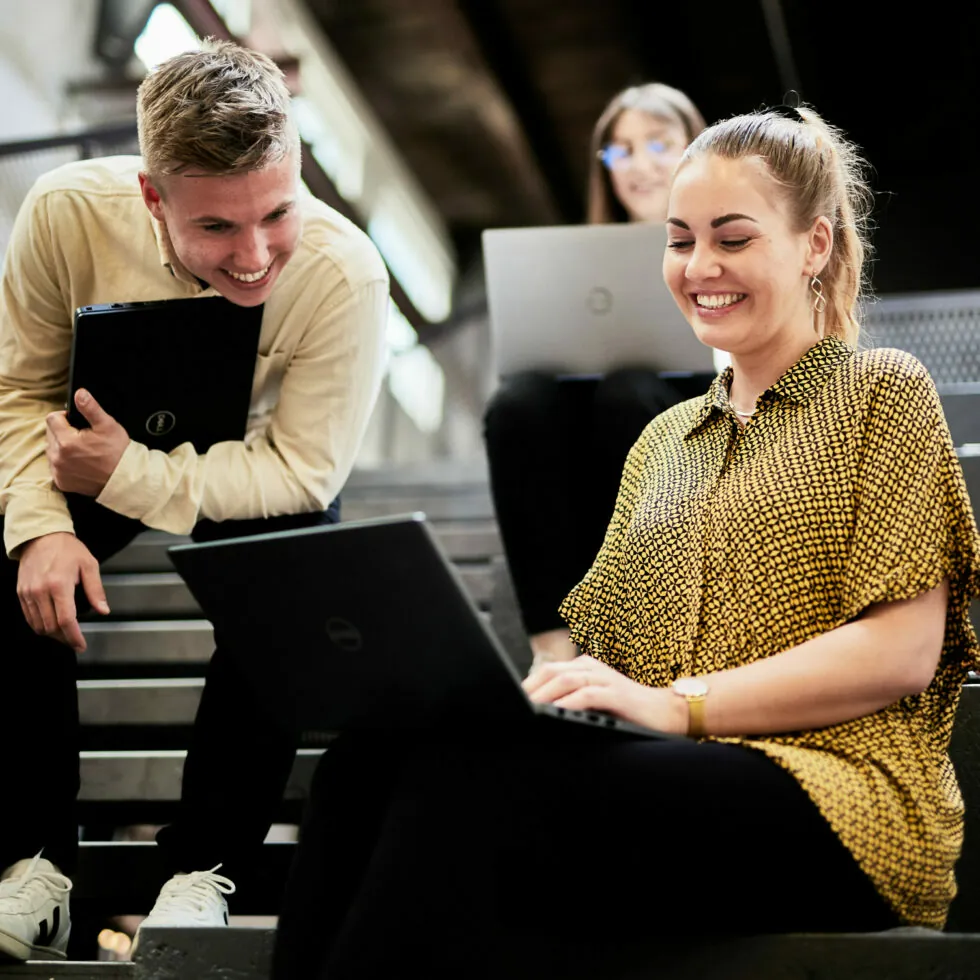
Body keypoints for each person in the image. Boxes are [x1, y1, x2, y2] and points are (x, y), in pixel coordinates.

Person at [271, 105, 980, 979]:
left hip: (842, 790)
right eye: (680, 241)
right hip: (673, 765)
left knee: (466, 800)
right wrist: (524, 696)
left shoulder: (883, 392)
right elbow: (611, 660)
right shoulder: (662, 440)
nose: (698, 267)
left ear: (815, 246)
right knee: (358, 769)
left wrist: (681, 705)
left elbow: (903, 653)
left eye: (732, 238)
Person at [0, 39, 389, 962]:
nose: (255, 256)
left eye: (278, 214)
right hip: (89, 443)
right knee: (3, 536)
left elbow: (302, 473)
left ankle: (203, 870)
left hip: (233, 464)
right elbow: (18, 391)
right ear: (151, 197)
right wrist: (44, 529)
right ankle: (32, 867)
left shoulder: (345, 273)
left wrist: (130, 475)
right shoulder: (63, 213)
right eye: (217, 228)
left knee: (297, 556)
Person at [483, 82, 708, 668]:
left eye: (658, 144)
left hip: (685, 411)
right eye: (621, 151)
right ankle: (552, 649)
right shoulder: (578, 264)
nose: (638, 165)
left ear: (694, 147)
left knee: (628, 392)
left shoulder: (727, 244)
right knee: (518, 403)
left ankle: (639, 636)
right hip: (592, 420)